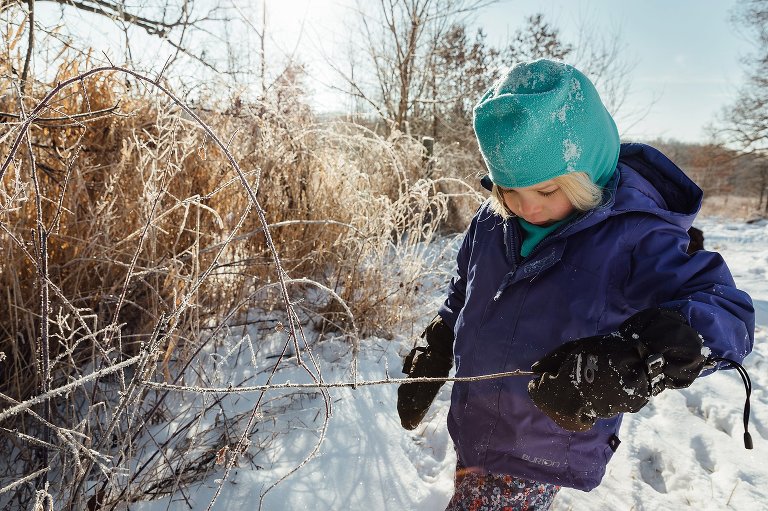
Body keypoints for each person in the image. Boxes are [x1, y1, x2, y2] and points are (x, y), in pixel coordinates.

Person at [396, 59, 755, 510]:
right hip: (477, 426)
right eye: (508, 189)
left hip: (539, 445)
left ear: (588, 169)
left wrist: (643, 355)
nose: (527, 208)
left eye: (546, 191)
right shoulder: (491, 222)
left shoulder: (637, 237)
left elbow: (728, 314)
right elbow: (464, 292)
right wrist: (442, 335)